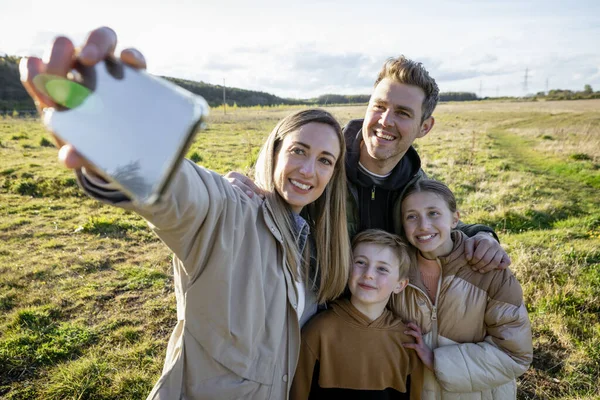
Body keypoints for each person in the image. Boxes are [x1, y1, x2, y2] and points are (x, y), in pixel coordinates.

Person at [19, 28, 352, 400]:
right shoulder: (231, 212)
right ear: (275, 151)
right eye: (299, 151)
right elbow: (184, 192)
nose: (309, 170)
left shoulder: (314, 242)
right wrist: (126, 146)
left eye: (325, 160)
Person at [227, 56, 511, 273]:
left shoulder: (417, 187)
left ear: (425, 127)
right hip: (309, 312)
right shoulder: (323, 165)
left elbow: (444, 228)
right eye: (379, 106)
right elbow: (274, 196)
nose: (385, 121)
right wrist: (237, 192)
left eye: (402, 113)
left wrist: (483, 236)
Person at [392, 179, 532, 399]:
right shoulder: (396, 273)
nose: (423, 225)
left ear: (455, 219)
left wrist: (436, 361)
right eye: (412, 216)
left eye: (433, 213)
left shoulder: (490, 269)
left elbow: (515, 354)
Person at [290, 229, 427, 399]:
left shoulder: (407, 342)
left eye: (382, 269)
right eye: (360, 262)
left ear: (400, 284)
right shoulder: (319, 331)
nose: (368, 274)